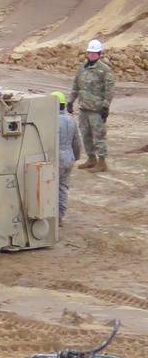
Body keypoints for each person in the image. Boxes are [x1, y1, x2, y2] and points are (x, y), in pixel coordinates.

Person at [68, 39, 115, 173]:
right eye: (90, 53)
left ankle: (102, 162)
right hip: (84, 108)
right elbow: (76, 86)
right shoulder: (83, 68)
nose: (92, 55)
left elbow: (109, 90)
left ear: (99, 54)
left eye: (95, 53)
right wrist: (70, 101)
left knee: (99, 136)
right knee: (85, 135)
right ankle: (91, 158)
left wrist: (105, 107)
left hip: (96, 110)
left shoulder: (104, 70)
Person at [55, 90, 81, 222]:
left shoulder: (50, 121)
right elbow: (76, 142)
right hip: (68, 157)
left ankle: (51, 217)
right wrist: (75, 157)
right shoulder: (71, 120)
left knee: (50, 188)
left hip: (55, 158)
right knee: (63, 188)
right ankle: (59, 216)